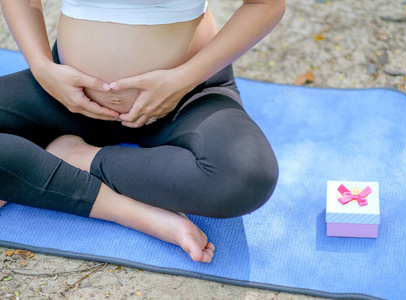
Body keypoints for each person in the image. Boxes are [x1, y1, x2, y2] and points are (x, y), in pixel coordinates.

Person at [0, 0, 284, 263]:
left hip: (187, 96)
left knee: (244, 177)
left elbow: (265, 4)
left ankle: (78, 159)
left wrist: (182, 80)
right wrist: (41, 68)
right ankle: (130, 212)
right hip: (68, 96)